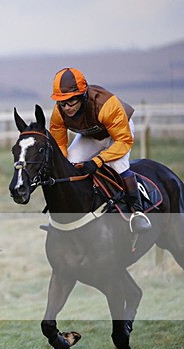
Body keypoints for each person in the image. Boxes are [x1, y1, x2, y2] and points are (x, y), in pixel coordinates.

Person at [49, 67, 151, 233]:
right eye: (62, 102)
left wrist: (97, 161)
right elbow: (60, 144)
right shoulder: (58, 112)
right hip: (90, 135)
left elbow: (123, 141)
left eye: (71, 101)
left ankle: (137, 213)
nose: (66, 107)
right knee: (71, 165)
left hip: (118, 134)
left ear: (82, 95)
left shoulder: (106, 105)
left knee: (118, 166)